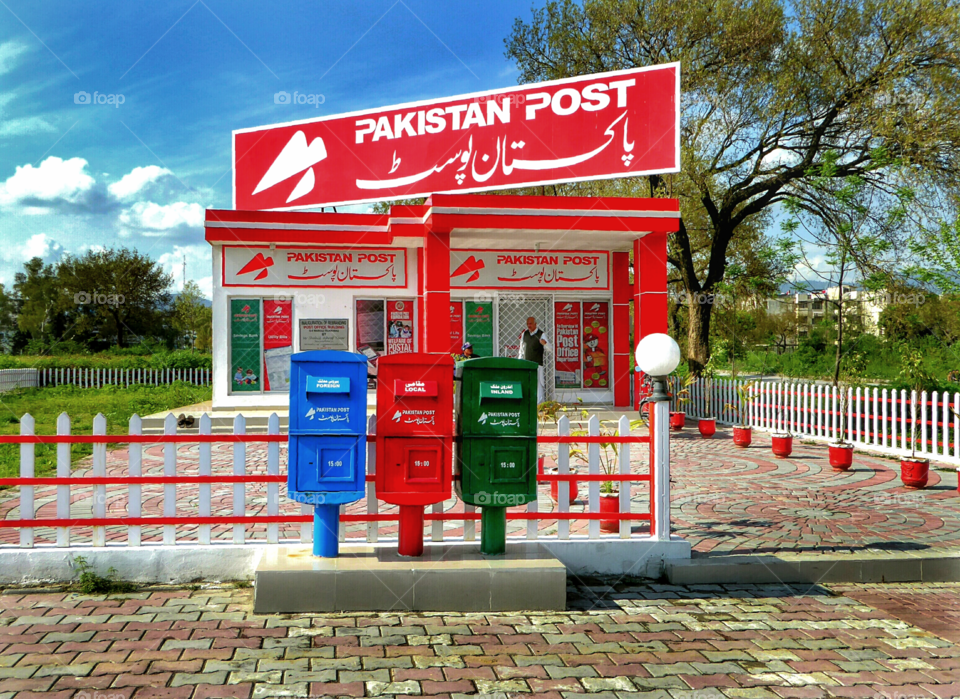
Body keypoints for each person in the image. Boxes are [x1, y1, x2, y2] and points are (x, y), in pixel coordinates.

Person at [518, 316, 551, 401]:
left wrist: (545, 344)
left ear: (535, 324)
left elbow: (550, 349)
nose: (529, 325)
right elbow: (521, 349)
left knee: (538, 385)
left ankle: (539, 405)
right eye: (528, 324)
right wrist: (520, 361)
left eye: (531, 323)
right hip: (526, 364)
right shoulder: (524, 334)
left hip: (537, 365)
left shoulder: (541, 334)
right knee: (527, 383)